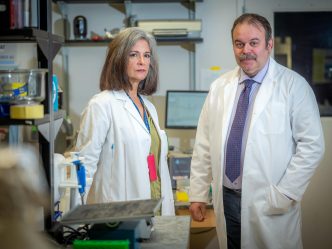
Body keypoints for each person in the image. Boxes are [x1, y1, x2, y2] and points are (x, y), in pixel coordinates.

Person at [189, 13, 325, 249]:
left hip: (269, 200)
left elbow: (312, 146)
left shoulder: (294, 86)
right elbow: (204, 144)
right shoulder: (219, 87)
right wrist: (198, 193)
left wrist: (285, 193)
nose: (246, 50)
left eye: (254, 43)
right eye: (239, 44)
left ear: (269, 45)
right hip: (226, 197)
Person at [75, 27, 175, 216]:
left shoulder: (148, 107)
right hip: (117, 211)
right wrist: (76, 217)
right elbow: (84, 165)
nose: (142, 61)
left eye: (146, 56)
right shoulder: (102, 104)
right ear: (119, 58)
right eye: (133, 55)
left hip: (154, 203)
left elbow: (151, 159)